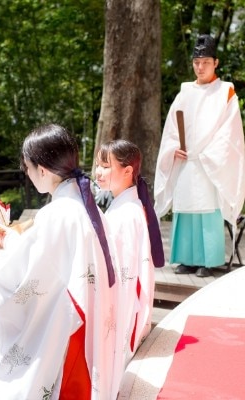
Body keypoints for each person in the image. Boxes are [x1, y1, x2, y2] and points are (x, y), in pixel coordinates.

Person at [0, 124, 119, 399]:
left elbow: (19, 276)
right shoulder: (86, 207)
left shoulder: (58, 214)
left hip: (67, 329)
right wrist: (11, 241)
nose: (27, 174)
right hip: (88, 322)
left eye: (27, 168)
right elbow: (39, 256)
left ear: (43, 170)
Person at [154, 34, 245, 278]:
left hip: (209, 162)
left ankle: (209, 259)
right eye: (197, 62)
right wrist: (174, 147)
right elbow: (172, 128)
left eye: (205, 61)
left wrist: (209, 154)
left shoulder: (226, 91)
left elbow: (230, 132)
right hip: (186, 160)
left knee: (207, 208)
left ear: (215, 62)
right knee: (185, 209)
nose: (200, 66)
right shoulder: (184, 92)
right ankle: (186, 259)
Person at [95, 139, 164, 396]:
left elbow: (122, 272)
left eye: (106, 165)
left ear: (127, 171)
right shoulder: (125, 205)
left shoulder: (127, 213)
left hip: (121, 299)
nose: (98, 172)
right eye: (98, 165)